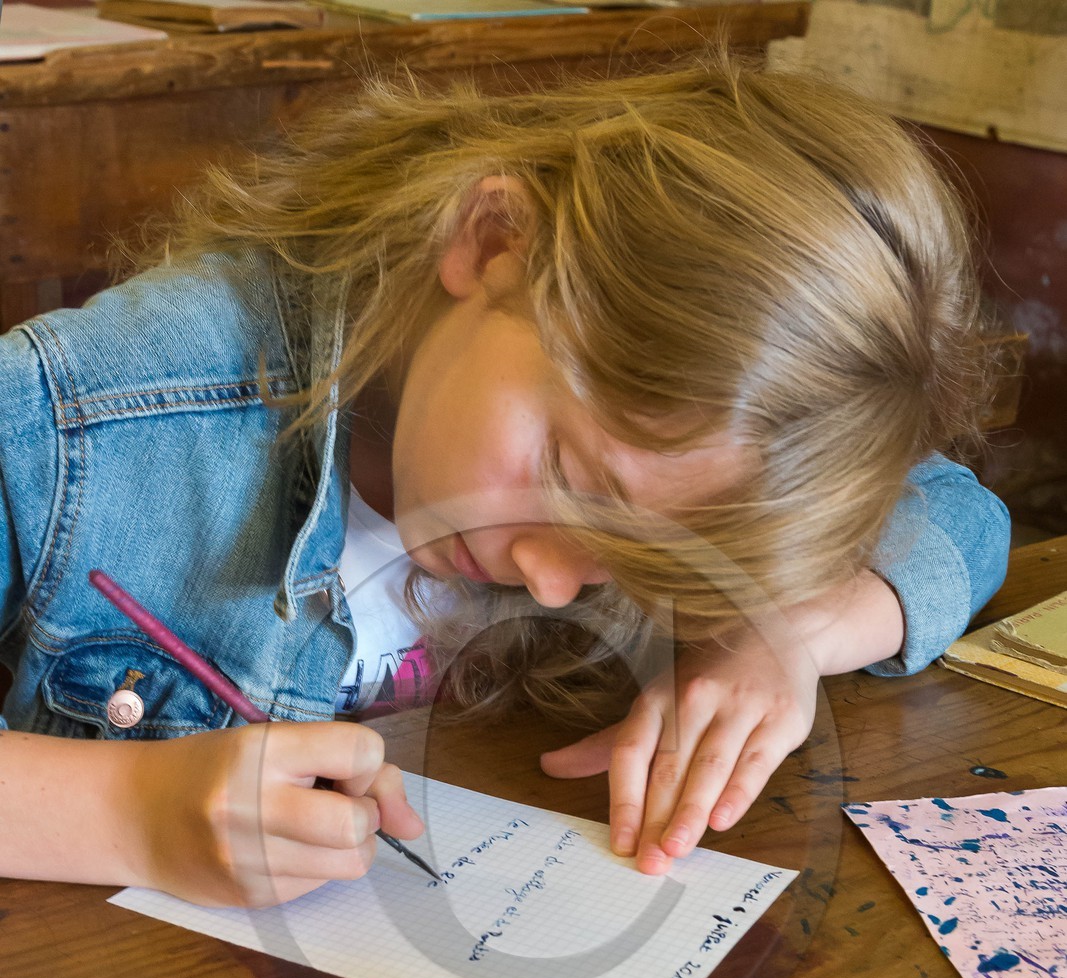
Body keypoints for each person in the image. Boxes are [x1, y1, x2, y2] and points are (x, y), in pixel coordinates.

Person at [0, 57, 1009, 908]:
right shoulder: (87, 419)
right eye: (568, 478)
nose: (553, 582)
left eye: (635, 560)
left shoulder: (719, 443)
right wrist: (130, 814)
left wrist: (779, 636)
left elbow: (957, 515)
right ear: (491, 244)